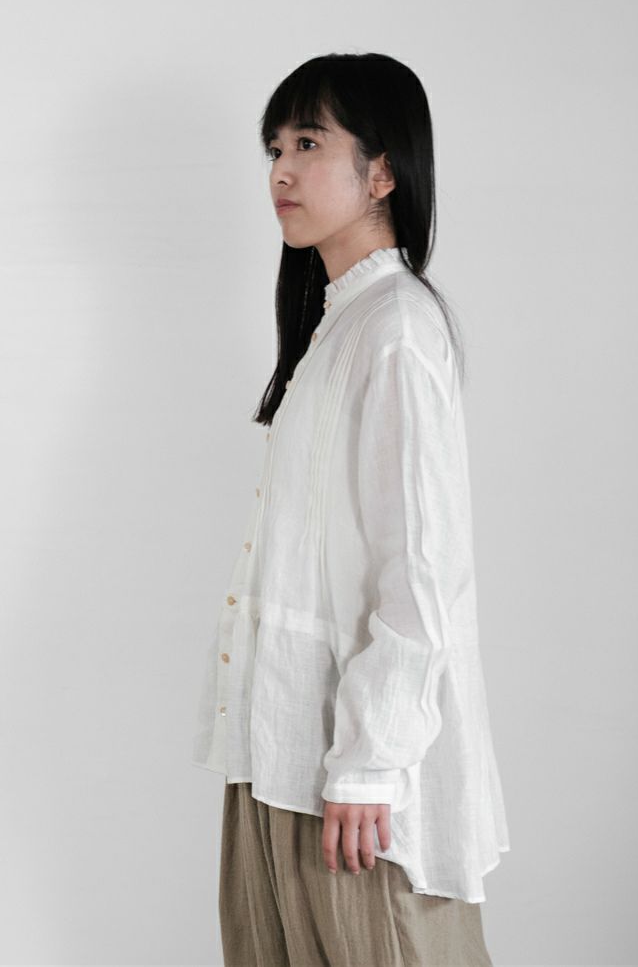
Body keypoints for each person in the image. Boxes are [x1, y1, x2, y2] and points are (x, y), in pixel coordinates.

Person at [192, 51, 510, 966]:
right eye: (274, 149)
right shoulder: (339, 325)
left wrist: (372, 760)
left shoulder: (397, 327)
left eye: (308, 143)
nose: (280, 172)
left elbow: (421, 570)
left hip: (356, 779)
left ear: (382, 173)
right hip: (283, 751)